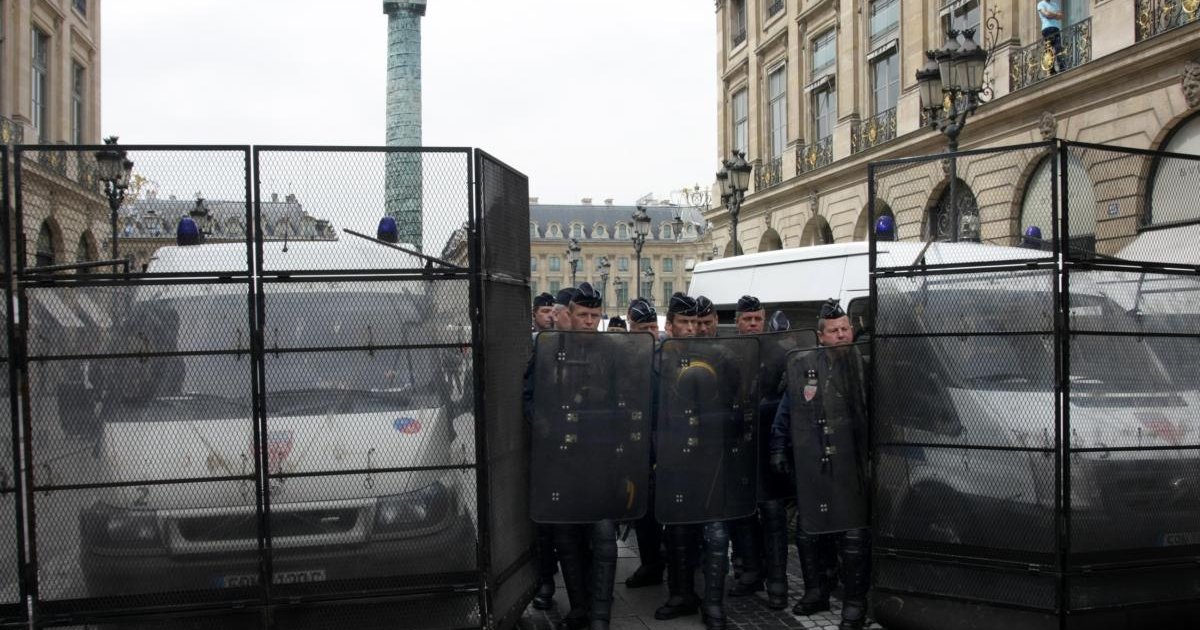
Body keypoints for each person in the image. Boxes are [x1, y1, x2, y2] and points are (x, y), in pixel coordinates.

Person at [769, 299, 870, 630]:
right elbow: (787, 409)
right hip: (814, 459)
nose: (841, 335)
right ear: (821, 335)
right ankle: (817, 591)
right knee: (811, 531)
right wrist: (778, 447)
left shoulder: (865, 364)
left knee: (853, 534)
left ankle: (854, 604)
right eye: (834, 330)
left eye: (845, 328)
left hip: (853, 462)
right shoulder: (805, 367)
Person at [527, 283, 623, 630]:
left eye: (595, 316)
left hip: (600, 459)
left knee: (602, 536)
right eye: (583, 315)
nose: (589, 322)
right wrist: (541, 422)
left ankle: (600, 614)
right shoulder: (548, 350)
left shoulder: (614, 351)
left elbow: (628, 402)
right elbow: (528, 396)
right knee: (566, 537)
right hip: (561, 459)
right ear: (569, 315)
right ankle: (581, 607)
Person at [654, 292, 731, 630]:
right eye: (683, 323)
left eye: (695, 323)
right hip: (672, 458)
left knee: (715, 534)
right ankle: (681, 594)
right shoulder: (655, 360)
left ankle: (713, 604)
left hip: (710, 457)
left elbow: (736, 405)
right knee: (677, 531)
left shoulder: (722, 358)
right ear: (669, 325)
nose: (691, 329)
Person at [725, 295, 790, 609]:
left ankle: (778, 580)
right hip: (740, 445)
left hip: (767, 446)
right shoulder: (727, 355)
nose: (753, 325)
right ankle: (751, 571)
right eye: (747, 320)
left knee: (774, 513)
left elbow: (787, 401)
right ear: (737, 322)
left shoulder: (780, 353)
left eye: (757, 319)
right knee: (743, 514)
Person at [624, 297, 665, 589]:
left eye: (654, 326)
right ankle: (651, 564)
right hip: (636, 448)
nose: (652, 332)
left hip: (666, 445)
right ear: (631, 327)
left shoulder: (668, 356)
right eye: (644, 327)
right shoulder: (621, 357)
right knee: (643, 513)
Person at [1037, 0, 1064, 73]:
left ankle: (1061, 66)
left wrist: (1052, 14)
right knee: (1049, 48)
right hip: (1047, 28)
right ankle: (1051, 69)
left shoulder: (1055, 4)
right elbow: (1046, 14)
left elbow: (1061, 16)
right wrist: (1055, 15)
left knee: (1058, 47)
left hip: (1056, 28)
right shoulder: (1041, 4)